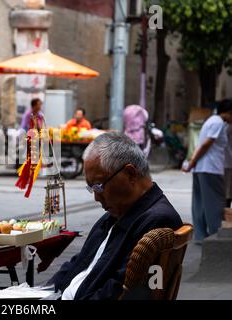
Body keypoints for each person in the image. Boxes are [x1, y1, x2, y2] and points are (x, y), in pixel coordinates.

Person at [47, 132, 182, 300]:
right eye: (92, 188)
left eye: (99, 186)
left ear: (130, 174)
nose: (96, 197)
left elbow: (119, 290)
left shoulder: (157, 221)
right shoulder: (117, 214)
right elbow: (79, 262)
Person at [183, 99, 232, 241]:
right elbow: (206, 144)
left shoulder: (211, 120)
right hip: (211, 169)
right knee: (215, 203)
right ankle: (215, 236)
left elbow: (201, 144)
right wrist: (192, 162)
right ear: (228, 113)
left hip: (202, 168)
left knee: (200, 203)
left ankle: (200, 235)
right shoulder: (218, 123)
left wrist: (193, 163)